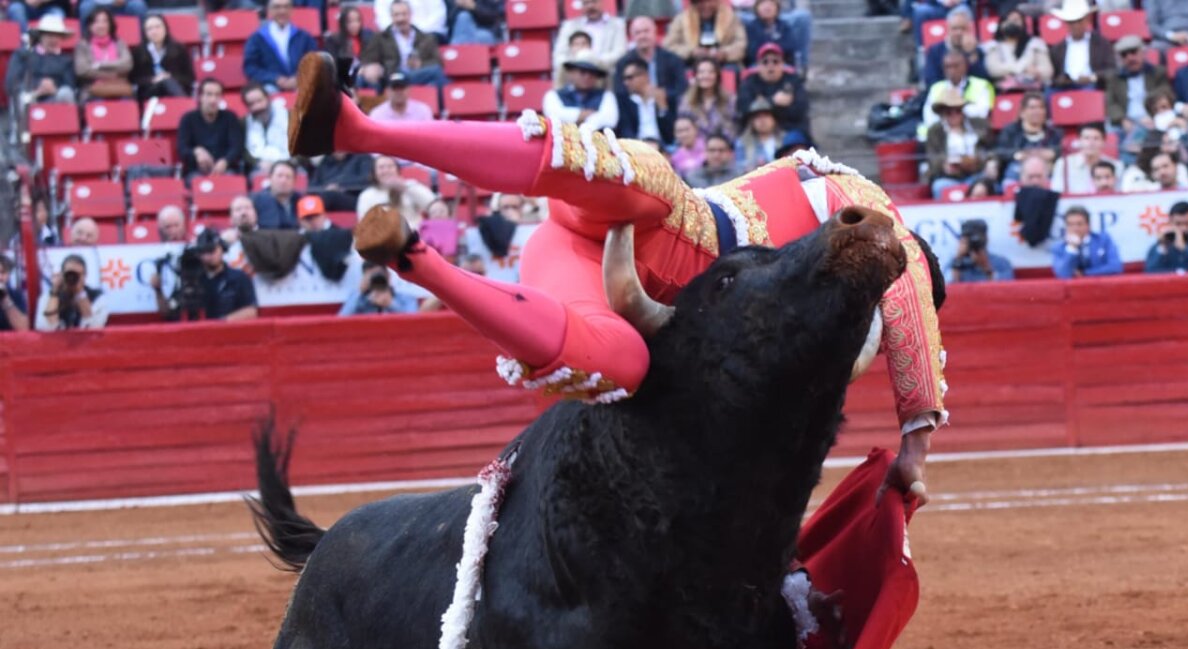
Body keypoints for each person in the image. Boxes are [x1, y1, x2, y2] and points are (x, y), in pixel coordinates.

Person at [290, 51, 949, 497]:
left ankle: (413, 255)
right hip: (665, 228)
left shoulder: (812, 272)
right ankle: (361, 136)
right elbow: (909, 285)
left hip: (587, 251)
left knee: (622, 363)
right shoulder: (872, 217)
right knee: (636, 194)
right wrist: (916, 443)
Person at [360, 0, 445, 91]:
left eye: (404, 14)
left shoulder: (426, 38)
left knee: (435, 76)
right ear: (391, 16)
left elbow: (437, 62)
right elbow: (369, 60)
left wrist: (420, 64)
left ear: (410, 14)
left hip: (416, 75)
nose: (401, 19)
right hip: (391, 76)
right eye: (397, 15)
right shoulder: (380, 38)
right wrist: (375, 67)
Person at [925, 88, 990, 199]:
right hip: (948, 177)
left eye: (958, 111)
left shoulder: (978, 125)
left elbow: (989, 149)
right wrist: (944, 165)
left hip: (976, 174)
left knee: (983, 184)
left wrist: (980, 161)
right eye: (949, 112)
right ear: (942, 113)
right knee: (939, 186)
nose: (954, 115)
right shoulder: (935, 132)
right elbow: (932, 159)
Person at [244, 0, 320, 93]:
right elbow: (250, 67)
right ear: (269, 10)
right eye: (277, 7)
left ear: (292, 10)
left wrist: (299, 77)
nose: (282, 11)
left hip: (300, 83)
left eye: (286, 7)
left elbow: (314, 62)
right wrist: (275, 78)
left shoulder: (304, 36)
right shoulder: (257, 38)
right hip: (270, 86)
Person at [736, 42, 811, 136]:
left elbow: (800, 110)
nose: (770, 66)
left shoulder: (794, 81)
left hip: (788, 130)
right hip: (756, 133)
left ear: (782, 64)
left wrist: (762, 105)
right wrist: (773, 101)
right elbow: (744, 109)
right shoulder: (749, 82)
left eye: (775, 61)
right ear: (758, 65)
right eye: (765, 62)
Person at [612, 16, 688, 103]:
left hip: (668, 107)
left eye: (646, 31)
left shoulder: (673, 60)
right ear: (632, 37)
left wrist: (661, 94)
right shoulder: (623, 63)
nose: (642, 36)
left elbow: (682, 89)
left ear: (655, 32)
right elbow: (619, 93)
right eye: (638, 33)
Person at [179, 79, 245, 179]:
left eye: (217, 95)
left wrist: (225, 161)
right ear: (200, 97)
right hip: (196, 171)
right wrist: (196, 152)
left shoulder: (230, 117)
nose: (213, 100)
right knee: (195, 181)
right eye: (209, 94)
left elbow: (237, 147)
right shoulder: (188, 119)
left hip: (226, 170)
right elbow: (182, 149)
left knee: (231, 179)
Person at [6, 15, 76, 108]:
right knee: (22, 96)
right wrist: (37, 86)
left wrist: (53, 89)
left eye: (57, 36)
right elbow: (11, 82)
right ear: (40, 36)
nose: (53, 39)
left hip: (54, 98)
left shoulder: (66, 60)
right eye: (49, 35)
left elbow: (70, 84)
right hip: (30, 96)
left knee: (66, 93)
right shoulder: (22, 55)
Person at [921, 48, 995, 137]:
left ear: (965, 66)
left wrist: (950, 114)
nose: (952, 71)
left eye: (956, 66)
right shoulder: (936, 88)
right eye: (948, 67)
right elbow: (929, 116)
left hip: (972, 133)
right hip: (943, 136)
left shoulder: (981, 85)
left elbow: (981, 113)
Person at [1107, 36, 1171, 138]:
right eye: (1124, 55)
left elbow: (1165, 95)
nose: (1130, 58)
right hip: (1127, 120)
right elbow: (1111, 103)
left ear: (1143, 52)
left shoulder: (1157, 72)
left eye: (1133, 52)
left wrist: (1153, 116)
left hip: (1153, 116)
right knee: (1109, 131)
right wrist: (1122, 120)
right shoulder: (1115, 78)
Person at [993, 92, 1062, 185]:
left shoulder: (1054, 133)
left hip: (1047, 171)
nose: (1037, 111)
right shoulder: (1010, 131)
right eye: (1032, 108)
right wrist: (1016, 155)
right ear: (1022, 112)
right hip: (1016, 170)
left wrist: (1053, 153)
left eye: (1041, 107)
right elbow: (999, 151)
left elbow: (1062, 149)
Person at [543, 52, 618, 132]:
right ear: (571, 73)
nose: (587, 76)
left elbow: (610, 120)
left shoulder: (607, 95)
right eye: (582, 72)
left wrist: (585, 125)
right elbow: (553, 115)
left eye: (592, 73)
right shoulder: (553, 95)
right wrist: (582, 114)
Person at [1048, 0, 1116, 89]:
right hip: (1065, 88)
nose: (1075, 25)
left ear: (1087, 20)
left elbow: (1112, 70)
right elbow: (1053, 76)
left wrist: (1092, 77)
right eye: (1071, 22)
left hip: (1093, 86)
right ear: (1066, 23)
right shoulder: (1057, 49)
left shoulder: (1101, 43)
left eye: (1079, 21)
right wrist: (1062, 79)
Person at [553, 0, 628, 78]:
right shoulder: (569, 26)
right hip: (576, 76)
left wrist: (592, 61)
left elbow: (620, 53)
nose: (590, 6)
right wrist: (579, 65)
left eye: (594, 2)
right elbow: (560, 56)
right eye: (586, 3)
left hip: (606, 75)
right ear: (581, 5)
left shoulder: (617, 24)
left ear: (602, 2)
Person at [130, 14, 195, 103]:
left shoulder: (179, 48)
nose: (154, 31)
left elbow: (189, 77)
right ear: (144, 32)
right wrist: (153, 79)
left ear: (165, 28)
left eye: (158, 27)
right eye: (149, 28)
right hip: (149, 91)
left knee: (167, 82)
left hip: (175, 87)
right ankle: (184, 105)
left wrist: (170, 77)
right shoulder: (138, 51)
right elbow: (134, 78)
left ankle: (182, 104)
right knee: (163, 82)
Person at [663, 0, 748, 68]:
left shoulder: (731, 17)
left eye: (710, 1)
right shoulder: (682, 19)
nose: (706, 5)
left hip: (724, 63)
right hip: (692, 63)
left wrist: (724, 53)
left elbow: (741, 44)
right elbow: (669, 46)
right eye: (701, 2)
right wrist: (691, 52)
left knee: (733, 69)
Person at [355, 153, 436, 224]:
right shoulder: (367, 195)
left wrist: (405, 188)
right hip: (381, 238)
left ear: (397, 170)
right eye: (381, 167)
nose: (386, 170)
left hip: (412, 235)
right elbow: (364, 224)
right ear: (374, 173)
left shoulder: (410, 186)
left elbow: (432, 203)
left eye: (390, 166)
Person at [983, 10, 1053, 91]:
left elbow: (1047, 71)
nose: (1012, 23)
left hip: (1032, 90)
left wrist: (1037, 71)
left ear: (1023, 23)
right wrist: (1022, 69)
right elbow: (993, 70)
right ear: (1001, 24)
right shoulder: (993, 46)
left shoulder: (1035, 44)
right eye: (1008, 20)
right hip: (1004, 91)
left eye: (1016, 20)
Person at [74, 8, 134, 101]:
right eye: (96, 22)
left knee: (128, 102)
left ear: (110, 25)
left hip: (119, 87)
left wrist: (99, 65)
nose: (101, 25)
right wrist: (111, 74)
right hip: (93, 89)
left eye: (105, 21)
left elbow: (127, 64)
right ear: (90, 26)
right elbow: (82, 70)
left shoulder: (119, 42)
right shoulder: (83, 45)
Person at [36, 254, 109, 330]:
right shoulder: (48, 297)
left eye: (77, 275)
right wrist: (55, 291)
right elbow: (45, 327)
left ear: (85, 276)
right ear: (62, 275)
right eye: (69, 274)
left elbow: (92, 326)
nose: (72, 278)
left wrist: (79, 292)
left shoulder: (97, 298)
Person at [615, 57, 677, 146]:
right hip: (637, 147)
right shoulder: (624, 102)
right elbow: (626, 131)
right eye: (624, 79)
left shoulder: (664, 96)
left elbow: (671, 133)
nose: (626, 82)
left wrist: (663, 108)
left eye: (630, 78)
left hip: (664, 147)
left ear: (644, 76)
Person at [924, 6, 988, 88]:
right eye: (955, 28)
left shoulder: (977, 51)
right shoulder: (935, 51)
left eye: (963, 28)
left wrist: (972, 54)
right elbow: (931, 81)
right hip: (944, 96)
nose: (959, 32)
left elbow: (983, 81)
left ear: (969, 30)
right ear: (948, 29)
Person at [1049, 206, 1122, 278]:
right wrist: (1072, 248)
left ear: (1088, 225)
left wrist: (1084, 273)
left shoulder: (1104, 240)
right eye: (1070, 224)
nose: (1075, 228)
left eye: (1079, 224)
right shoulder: (1059, 248)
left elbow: (1115, 267)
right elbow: (1063, 275)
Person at [680, 57, 738, 142]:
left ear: (717, 76)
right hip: (695, 149)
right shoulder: (686, 101)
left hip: (723, 147)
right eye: (701, 72)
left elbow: (734, 129)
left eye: (711, 72)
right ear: (696, 76)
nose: (706, 76)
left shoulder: (730, 100)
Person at [1051, 123, 1120, 192]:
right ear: (1079, 141)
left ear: (1103, 142)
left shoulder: (1116, 165)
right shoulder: (1064, 164)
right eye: (1086, 138)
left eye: (1096, 138)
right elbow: (1057, 192)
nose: (1091, 143)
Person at [744, 0, 807, 76]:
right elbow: (750, 52)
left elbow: (790, 48)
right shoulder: (750, 27)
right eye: (763, 4)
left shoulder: (785, 27)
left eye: (771, 4)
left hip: (782, 65)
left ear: (777, 8)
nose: (767, 7)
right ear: (756, 8)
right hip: (757, 65)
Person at [243, 83, 291, 173]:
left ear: (268, 98)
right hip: (259, 167)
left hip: (290, 166)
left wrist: (286, 164)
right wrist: (258, 163)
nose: (258, 107)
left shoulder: (289, 116)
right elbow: (243, 151)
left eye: (260, 101)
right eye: (251, 104)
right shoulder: (244, 123)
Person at [948, 218, 1014, 283]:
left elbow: (1007, 288)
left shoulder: (1001, 263)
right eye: (969, 239)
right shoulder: (956, 263)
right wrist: (958, 259)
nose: (973, 242)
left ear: (986, 238)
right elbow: (947, 288)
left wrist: (986, 268)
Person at [1144, 200, 1188, 271]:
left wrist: (1184, 249)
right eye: (1178, 224)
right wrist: (1162, 248)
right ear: (1170, 222)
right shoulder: (1159, 246)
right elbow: (1150, 272)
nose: (1183, 228)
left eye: (1187, 223)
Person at [309, 149, 374, 211]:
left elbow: (366, 179)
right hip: (325, 196)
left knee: (330, 196)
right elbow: (312, 186)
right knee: (305, 200)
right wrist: (325, 188)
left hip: (353, 197)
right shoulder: (325, 161)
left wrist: (340, 186)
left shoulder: (362, 157)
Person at [339, 265, 420, 314]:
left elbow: (413, 321)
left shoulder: (405, 298)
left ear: (388, 275)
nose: (377, 280)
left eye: (380, 275)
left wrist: (391, 304)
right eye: (372, 277)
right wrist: (360, 292)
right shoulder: (359, 299)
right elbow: (341, 320)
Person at [736, 97, 786, 170]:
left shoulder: (785, 139)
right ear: (751, 122)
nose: (762, 120)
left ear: (774, 119)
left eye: (766, 115)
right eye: (757, 117)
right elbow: (739, 169)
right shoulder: (743, 142)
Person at [368, 70, 436, 122]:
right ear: (387, 91)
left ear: (409, 90)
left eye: (402, 88)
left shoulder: (423, 111)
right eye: (394, 88)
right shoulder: (377, 114)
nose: (398, 92)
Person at [252, 159, 302, 228]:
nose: (283, 180)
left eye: (288, 177)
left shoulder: (301, 201)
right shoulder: (257, 201)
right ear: (270, 178)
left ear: (294, 181)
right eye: (279, 176)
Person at [325, 3, 376, 69]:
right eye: (350, 21)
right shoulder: (332, 41)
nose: (355, 25)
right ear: (343, 23)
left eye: (357, 20)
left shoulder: (366, 38)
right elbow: (333, 66)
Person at [0, 252, 30, 334]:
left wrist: (5, 299)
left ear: (9, 275)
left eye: (3, 272)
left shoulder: (16, 295)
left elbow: (23, 329)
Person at [669, 114, 707, 179]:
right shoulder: (675, 157)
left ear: (696, 129)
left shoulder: (709, 148)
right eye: (679, 131)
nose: (684, 134)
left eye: (687, 130)